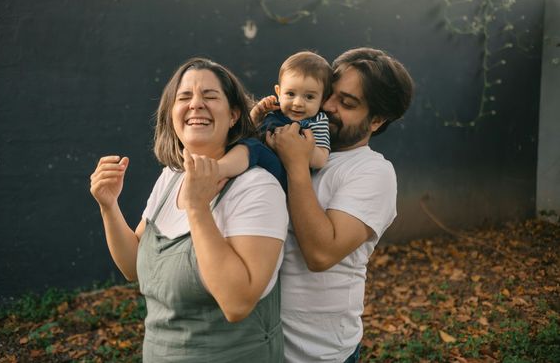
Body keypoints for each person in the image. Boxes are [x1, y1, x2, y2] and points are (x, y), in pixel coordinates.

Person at [89, 58, 289, 362]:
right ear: (171, 116)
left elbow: (237, 303)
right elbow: (134, 268)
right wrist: (108, 205)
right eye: (184, 97)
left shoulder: (257, 188)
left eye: (209, 96)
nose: (196, 104)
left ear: (234, 114)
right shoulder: (171, 178)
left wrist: (198, 207)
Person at [266, 47, 414, 363]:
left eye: (347, 103)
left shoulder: (372, 172)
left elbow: (321, 254)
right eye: (329, 94)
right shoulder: (297, 141)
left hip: (318, 354)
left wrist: (296, 165)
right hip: (259, 344)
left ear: (376, 120)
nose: (328, 107)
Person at [217, 51, 332, 188]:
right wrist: (257, 114)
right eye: (290, 94)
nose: (298, 103)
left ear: (323, 99)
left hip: (285, 176)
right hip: (252, 167)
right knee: (237, 138)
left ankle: (217, 171)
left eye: (309, 97)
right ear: (278, 92)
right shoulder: (275, 111)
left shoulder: (316, 121)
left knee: (254, 147)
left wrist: (293, 146)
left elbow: (320, 160)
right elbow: (248, 132)